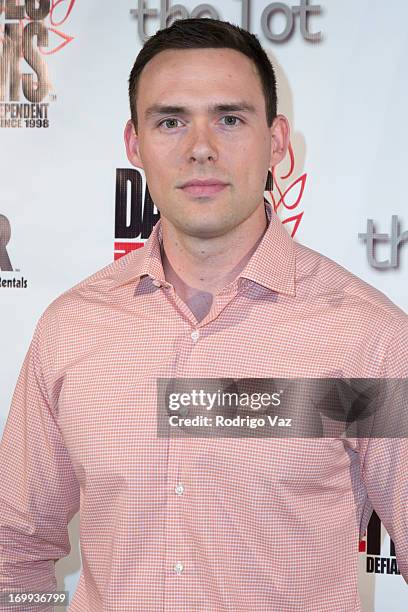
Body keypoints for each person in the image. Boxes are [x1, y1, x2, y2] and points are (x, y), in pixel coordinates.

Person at [0, 17, 407, 612]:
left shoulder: (367, 339)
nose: (200, 148)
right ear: (134, 144)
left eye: (230, 118)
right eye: (170, 121)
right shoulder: (72, 329)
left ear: (277, 141)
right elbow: (16, 547)